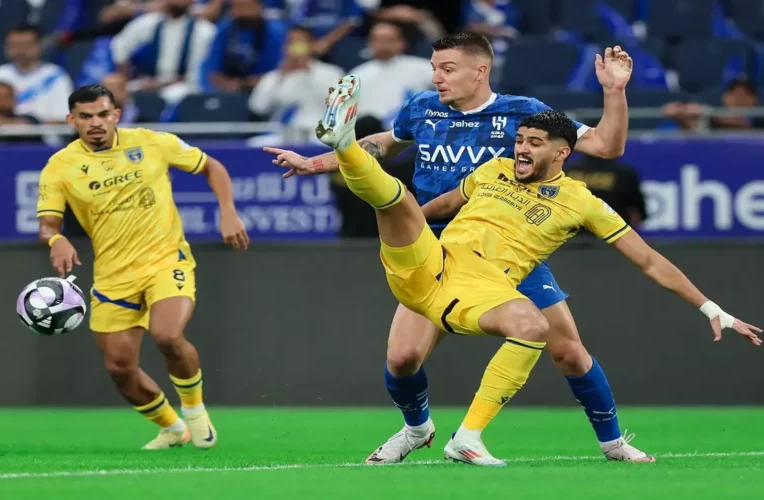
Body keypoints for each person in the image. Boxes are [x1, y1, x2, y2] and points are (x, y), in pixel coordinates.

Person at [314, 80, 762, 464]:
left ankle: (592, 442)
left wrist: (710, 307)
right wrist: (413, 227)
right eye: (520, 140)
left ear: (562, 153)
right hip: (435, 260)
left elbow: (648, 259)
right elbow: (445, 205)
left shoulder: (582, 201)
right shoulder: (494, 168)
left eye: (533, 143)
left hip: (489, 283)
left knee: (557, 342)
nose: (521, 148)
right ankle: (345, 145)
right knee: (395, 209)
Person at [264, 32, 651, 465]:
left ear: (479, 71)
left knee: (569, 352)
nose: (437, 78)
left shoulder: (523, 113)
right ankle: (417, 429)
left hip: (502, 250)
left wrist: (614, 91)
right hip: (435, 246)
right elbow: (381, 145)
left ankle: (613, 443)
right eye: (434, 69)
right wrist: (316, 163)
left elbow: (606, 146)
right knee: (402, 358)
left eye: (447, 69)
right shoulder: (423, 109)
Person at [36, 84, 249, 449]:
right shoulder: (60, 166)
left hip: (166, 260)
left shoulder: (152, 142)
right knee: (119, 368)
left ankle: (195, 413)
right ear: (72, 120)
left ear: (116, 115)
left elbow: (212, 167)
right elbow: (47, 224)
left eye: (103, 114)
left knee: (166, 335)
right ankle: (171, 427)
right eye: (85, 117)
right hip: (112, 276)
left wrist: (227, 211)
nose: (96, 123)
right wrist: (57, 240)